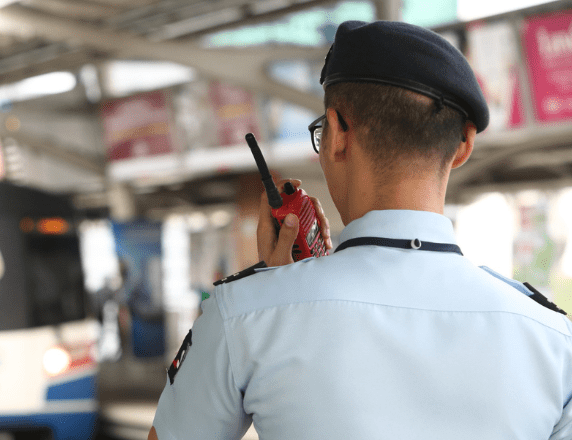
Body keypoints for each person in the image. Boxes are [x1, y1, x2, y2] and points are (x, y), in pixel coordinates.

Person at [148, 20, 572, 440]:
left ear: (336, 135)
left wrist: (278, 287)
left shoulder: (244, 313)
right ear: (463, 145)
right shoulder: (555, 343)